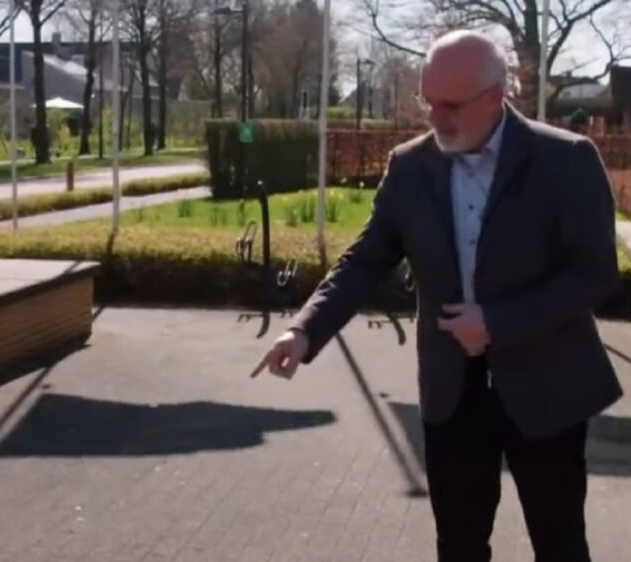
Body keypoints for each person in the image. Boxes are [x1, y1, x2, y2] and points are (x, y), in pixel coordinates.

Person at [252, 30, 622, 562]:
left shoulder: (565, 160)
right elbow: (366, 258)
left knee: (560, 544)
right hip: (453, 394)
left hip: (548, 389)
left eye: (452, 105)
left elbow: (594, 275)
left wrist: (497, 323)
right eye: (429, 102)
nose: (436, 118)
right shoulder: (410, 166)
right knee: (459, 547)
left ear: (495, 97)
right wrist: (304, 329)